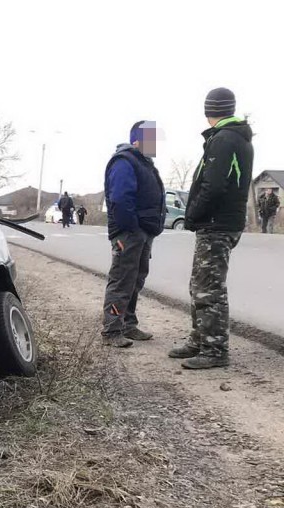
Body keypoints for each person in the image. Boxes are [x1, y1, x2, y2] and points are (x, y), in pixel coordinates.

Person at [169, 87, 253, 369]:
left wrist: (192, 213)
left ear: (209, 112)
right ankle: (199, 340)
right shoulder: (230, 137)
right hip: (220, 223)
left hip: (217, 224)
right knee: (199, 285)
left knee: (209, 288)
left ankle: (215, 349)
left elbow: (214, 186)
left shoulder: (225, 139)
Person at [101, 120, 166, 348]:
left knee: (135, 280)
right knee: (122, 280)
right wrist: (132, 227)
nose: (156, 144)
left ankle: (128, 324)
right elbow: (120, 199)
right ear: (138, 140)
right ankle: (112, 330)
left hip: (143, 232)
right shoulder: (124, 161)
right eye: (152, 139)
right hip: (129, 233)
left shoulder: (144, 163)